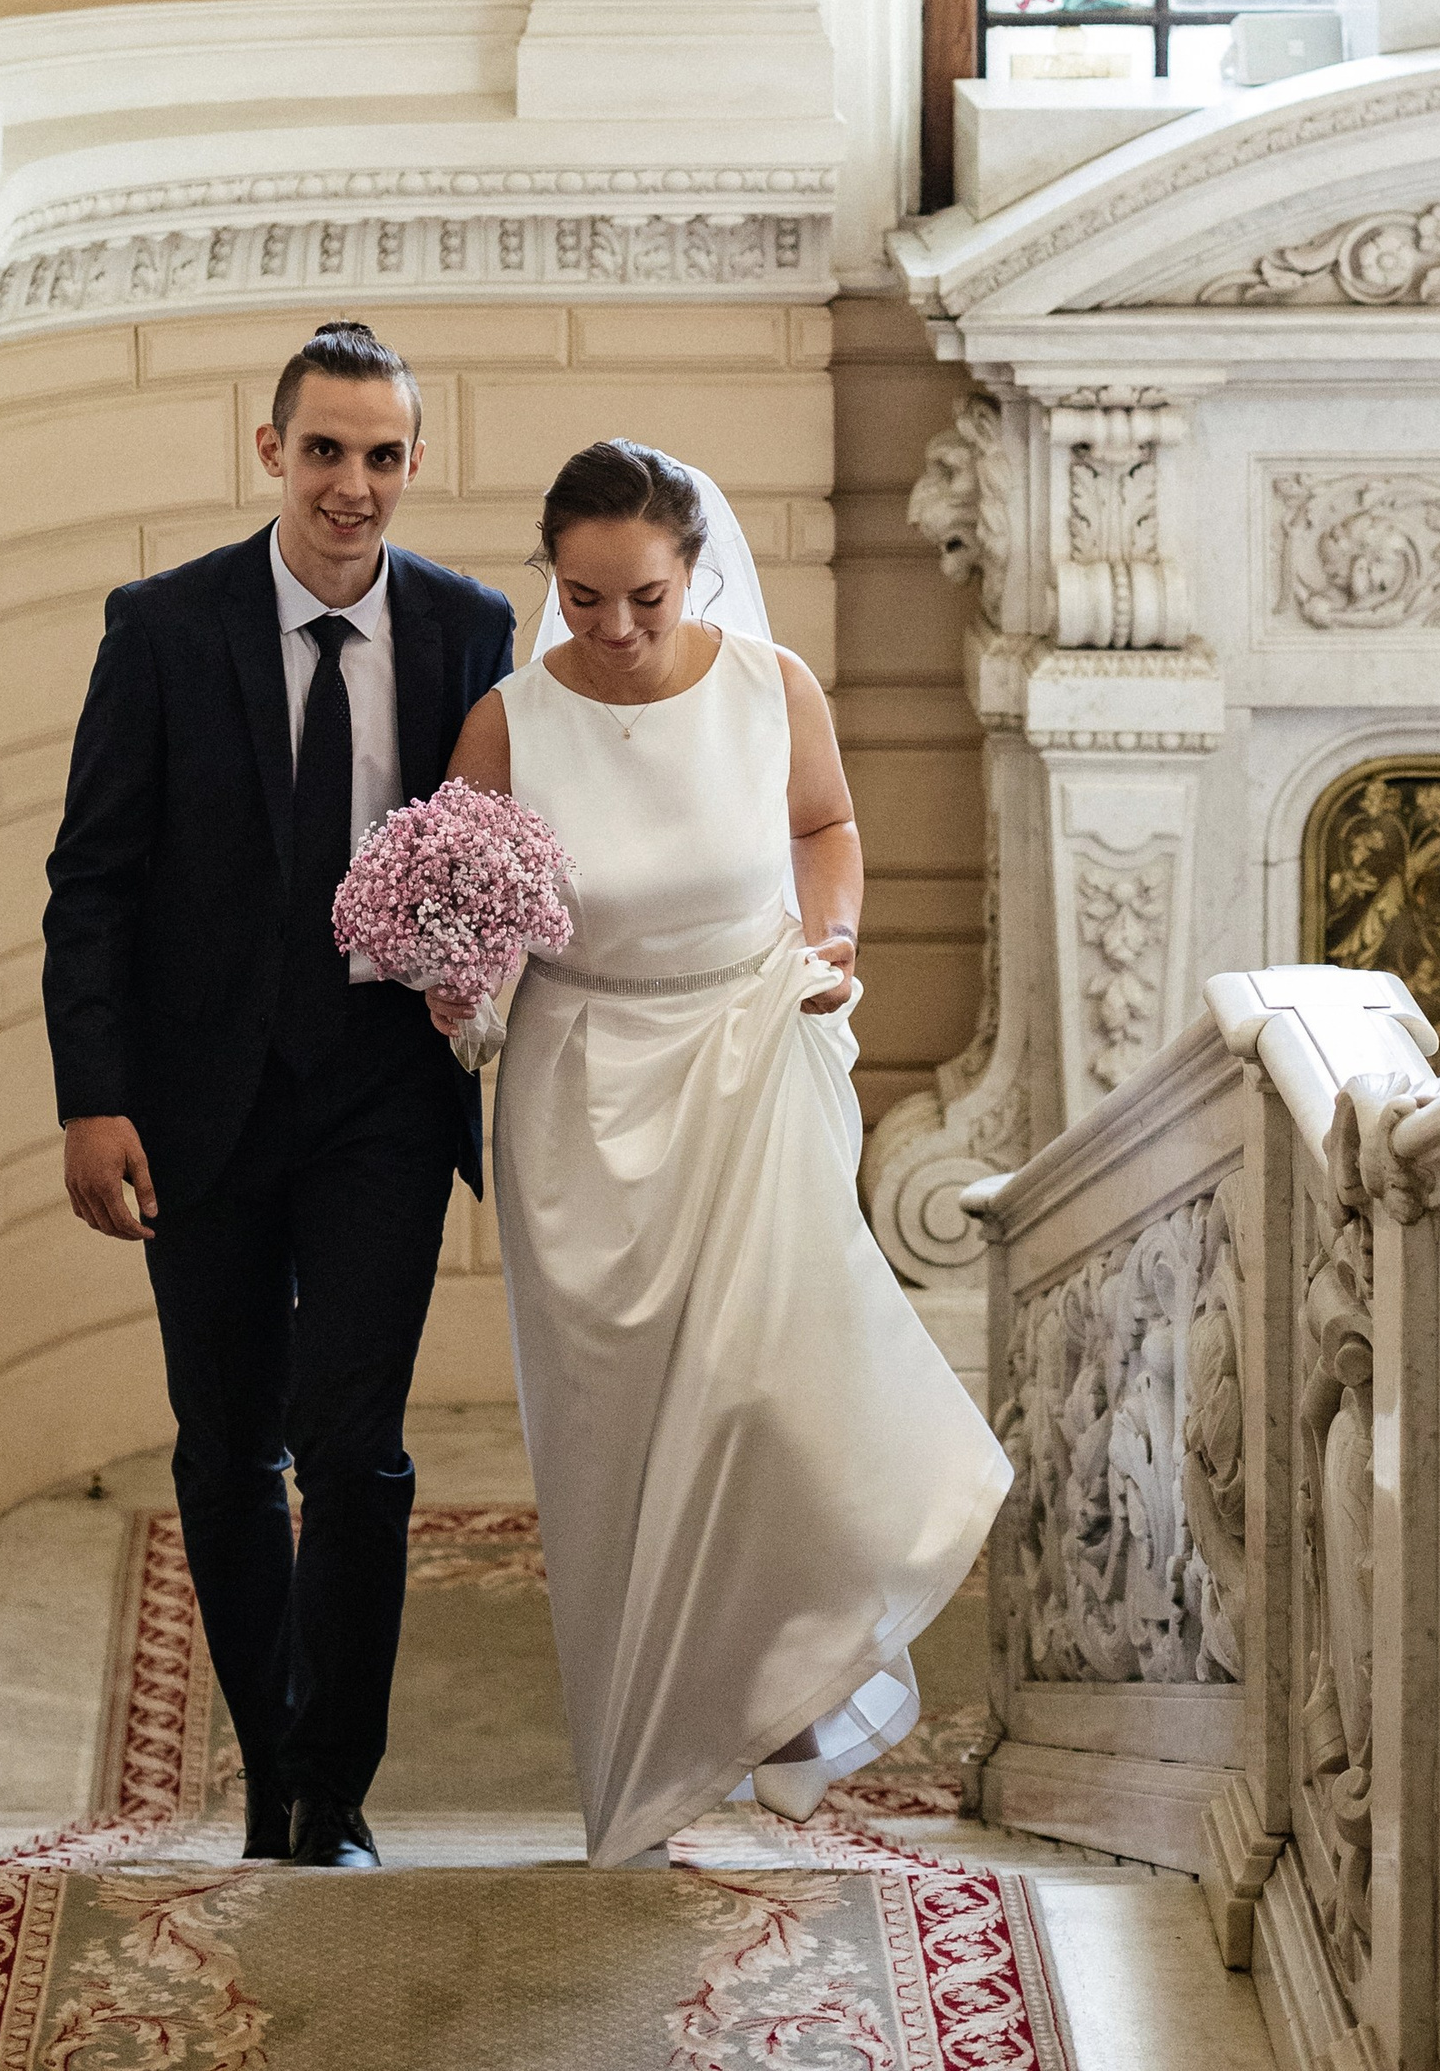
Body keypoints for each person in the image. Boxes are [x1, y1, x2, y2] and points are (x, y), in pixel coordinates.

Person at [445, 438, 1011, 1868]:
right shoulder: (508, 722)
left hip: (754, 1062)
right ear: (552, 581)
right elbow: (473, 917)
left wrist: (834, 940)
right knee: (622, 1442)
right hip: (580, 1104)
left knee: (780, 1396)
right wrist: (454, 981)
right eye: (583, 600)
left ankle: (797, 1686)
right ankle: (662, 1738)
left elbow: (823, 827)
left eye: (644, 596)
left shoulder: (775, 689)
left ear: (696, 572)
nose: (617, 629)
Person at [43, 322, 518, 1873]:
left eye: (384, 456)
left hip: (382, 1096)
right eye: (325, 451)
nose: (353, 487)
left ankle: (333, 1793)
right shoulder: (164, 630)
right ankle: (267, 1765)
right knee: (226, 1449)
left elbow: (503, 845)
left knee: (357, 1448)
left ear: (414, 465)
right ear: (272, 454)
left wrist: (480, 982)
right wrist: (93, 1099)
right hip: (201, 1109)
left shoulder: (468, 629)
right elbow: (92, 882)